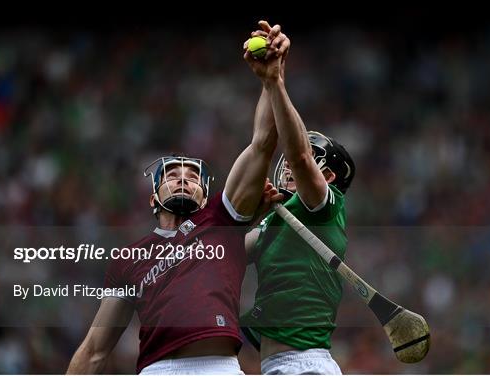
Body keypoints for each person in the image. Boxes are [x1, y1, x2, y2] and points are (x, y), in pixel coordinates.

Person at [66, 32, 289, 373]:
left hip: (223, 367)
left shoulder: (221, 220)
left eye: (193, 175)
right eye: (171, 175)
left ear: (204, 194)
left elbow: (262, 143)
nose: (184, 177)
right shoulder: (129, 259)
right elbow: (95, 350)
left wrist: (271, 80)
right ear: (154, 197)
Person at [240, 21, 356, 374]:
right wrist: (269, 81)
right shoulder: (275, 219)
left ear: (330, 176)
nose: (288, 165)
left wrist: (276, 82)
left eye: (311, 154)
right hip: (279, 366)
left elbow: (299, 157)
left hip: (304, 366)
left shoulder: (324, 206)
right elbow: (223, 254)